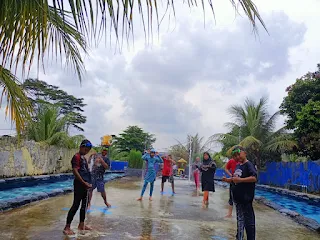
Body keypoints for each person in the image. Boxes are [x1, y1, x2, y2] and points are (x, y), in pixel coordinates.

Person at [222, 146, 257, 240]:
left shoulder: (248, 165)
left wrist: (240, 180)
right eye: (235, 156)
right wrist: (227, 180)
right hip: (238, 199)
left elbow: (254, 178)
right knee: (240, 220)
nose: (237, 157)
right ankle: (239, 237)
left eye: (238, 154)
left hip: (246, 199)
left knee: (249, 222)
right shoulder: (238, 166)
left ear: (244, 153)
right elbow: (235, 179)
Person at [63, 139, 93, 235]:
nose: (86, 151)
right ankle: (67, 227)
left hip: (85, 185)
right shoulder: (76, 157)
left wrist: (89, 183)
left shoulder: (83, 158)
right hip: (79, 185)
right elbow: (75, 171)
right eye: (85, 148)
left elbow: (87, 171)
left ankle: (81, 224)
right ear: (81, 147)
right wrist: (84, 183)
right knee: (75, 205)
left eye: (88, 149)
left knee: (84, 206)